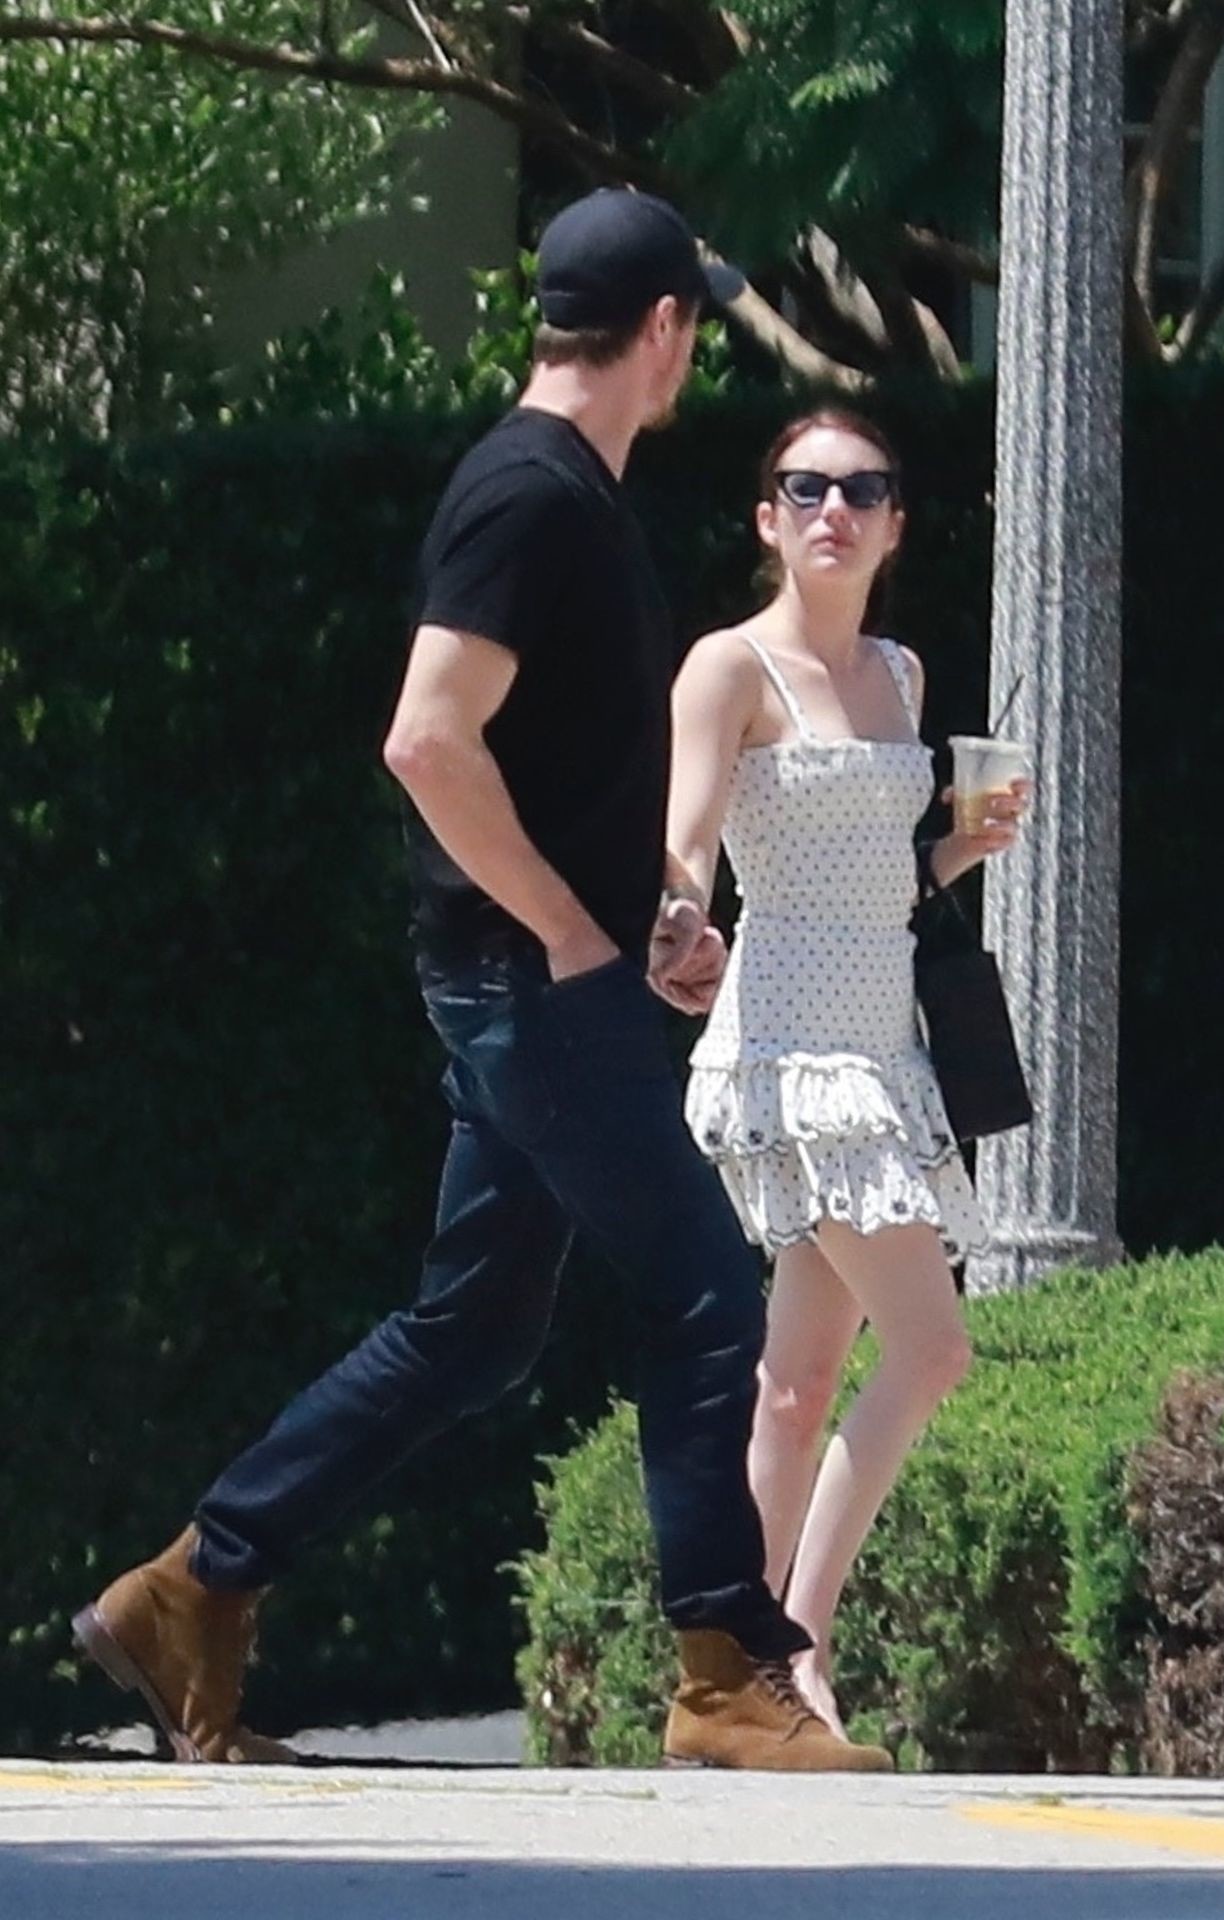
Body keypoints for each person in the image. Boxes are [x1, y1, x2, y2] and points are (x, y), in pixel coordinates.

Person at [71, 196, 892, 1772]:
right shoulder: (530, 495)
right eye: (695, 325)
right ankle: (725, 1678)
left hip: (541, 973)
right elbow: (427, 740)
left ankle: (191, 1586)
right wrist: (571, 935)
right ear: (662, 330)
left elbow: (551, 763)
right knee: (707, 1294)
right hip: (529, 987)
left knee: (475, 1330)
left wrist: (649, 911)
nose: (695, 353)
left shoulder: (568, 495)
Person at [665, 407, 1030, 1736]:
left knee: (798, 1384)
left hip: (883, 1050)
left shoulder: (902, 674)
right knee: (932, 1348)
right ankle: (794, 1653)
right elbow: (687, 836)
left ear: (894, 527)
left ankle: (727, 1683)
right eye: (807, 487)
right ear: (768, 518)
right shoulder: (729, 666)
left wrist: (960, 850)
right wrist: (675, 918)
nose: (835, 509)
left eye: (863, 489)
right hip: (787, 1055)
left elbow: (882, 877)